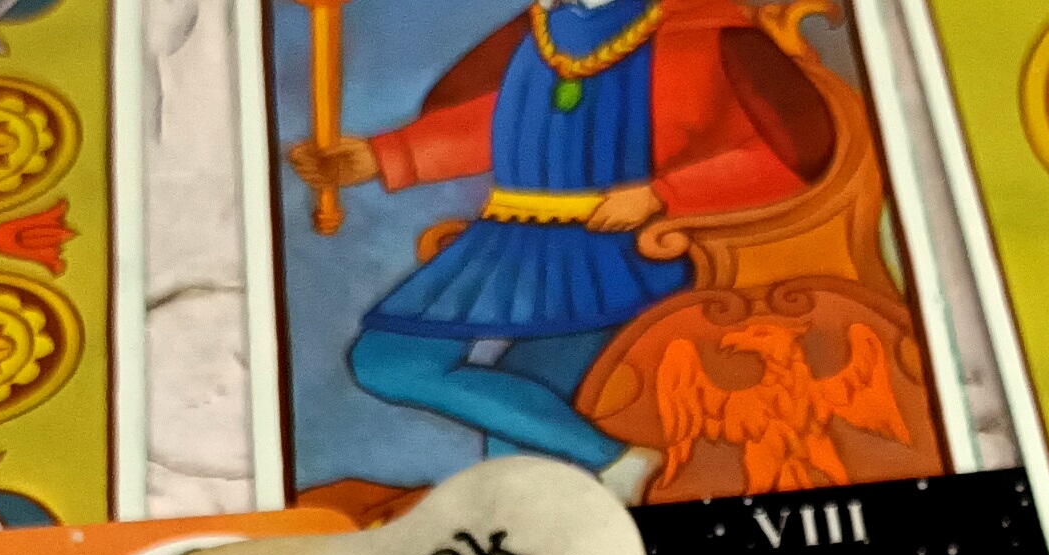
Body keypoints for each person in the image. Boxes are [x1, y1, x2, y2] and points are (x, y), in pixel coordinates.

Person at [287, 0, 834, 499]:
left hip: (620, 253)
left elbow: (791, 154)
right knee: (394, 361)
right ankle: (614, 464)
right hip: (514, 243)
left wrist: (661, 194)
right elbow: (502, 123)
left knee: (511, 425)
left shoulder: (703, 28)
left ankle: (595, 485)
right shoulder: (545, 29)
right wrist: (381, 157)